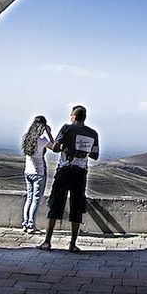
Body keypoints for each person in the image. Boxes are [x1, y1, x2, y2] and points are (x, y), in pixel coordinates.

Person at [38, 104, 99, 252]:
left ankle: (47, 241)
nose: (70, 117)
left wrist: (48, 142)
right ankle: (72, 244)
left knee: (55, 204)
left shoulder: (66, 128)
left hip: (65, 170)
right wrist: (83, 149)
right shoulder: (93, 133)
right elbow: (95, 155)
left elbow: (57, 147)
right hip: (81, 172)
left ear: (74, 116)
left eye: (71, 114)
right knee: (77, 206)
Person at [20, 114, 51, 233]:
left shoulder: (28, 138)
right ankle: (31, 224)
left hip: (27, 171)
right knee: (36, 199)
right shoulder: (42, 140)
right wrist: (49, 133)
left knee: (29, 198)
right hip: (39, 172)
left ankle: (25, 223)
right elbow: (54, 147)